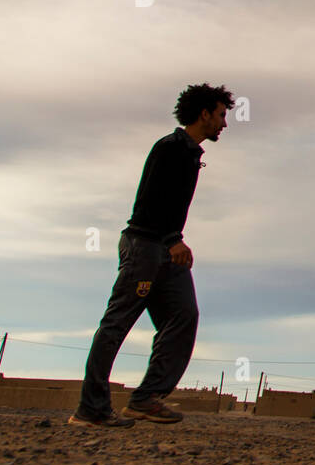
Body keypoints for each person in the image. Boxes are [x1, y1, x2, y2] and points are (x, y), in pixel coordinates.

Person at [70, 84, 234, 427]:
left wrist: (174, 240)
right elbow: (151, 200)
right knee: (116, 325)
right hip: (145, 247)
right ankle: (91, 409)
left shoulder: (190, 154)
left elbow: (171, 204)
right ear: (204, 114)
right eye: (221, 115)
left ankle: (145, 398)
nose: (224, 123)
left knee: (184, 315)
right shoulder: (170, 148)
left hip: (166, 251)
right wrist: (173, 238)